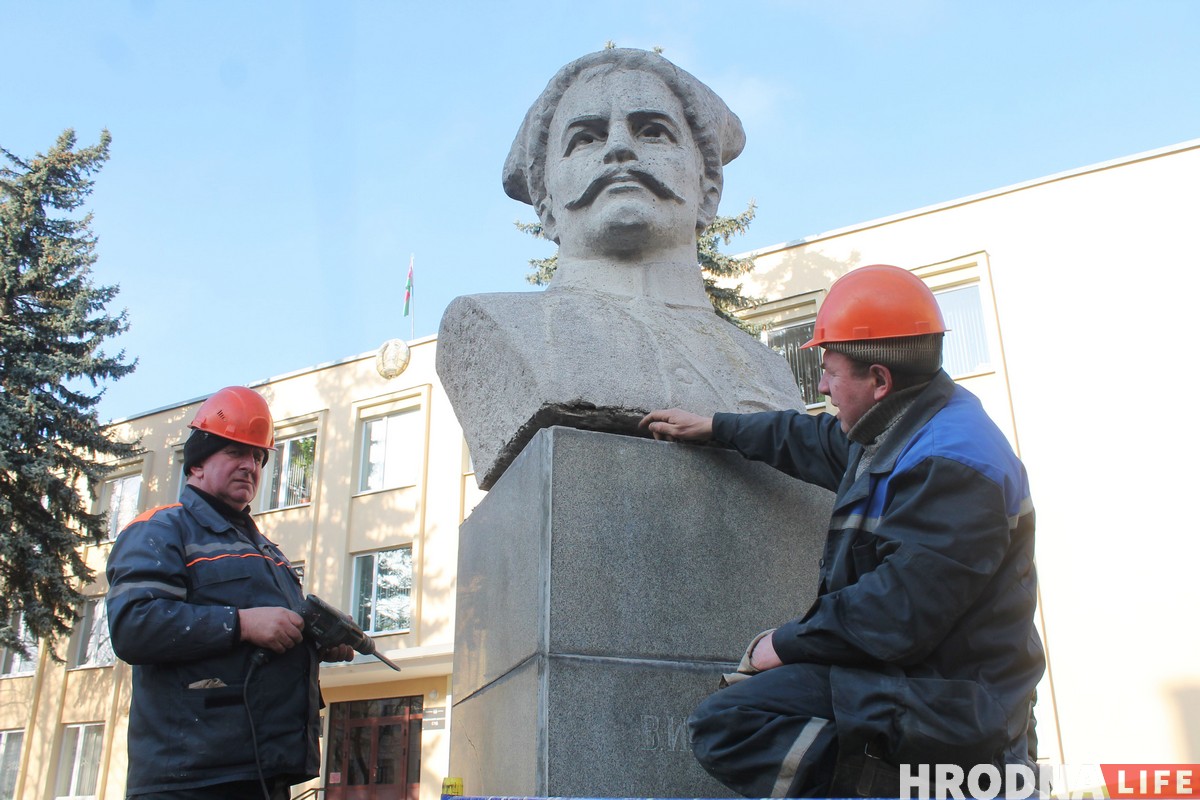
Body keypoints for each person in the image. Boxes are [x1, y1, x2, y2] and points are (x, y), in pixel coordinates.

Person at [640, 265, 1045, 798]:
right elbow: (806, 438)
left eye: (830, 373)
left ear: (879, 380)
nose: (824, 387)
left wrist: (781, 644)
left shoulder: (955, 463)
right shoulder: (895, 426)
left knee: (732, 725)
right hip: (913, 681)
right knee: (741, 717)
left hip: (959, 707)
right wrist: (716, 427)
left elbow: (896, 612)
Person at [437, 48, 802, 490]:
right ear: (546, 205)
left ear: (708, 191)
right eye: (585, 138)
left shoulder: (769, 369)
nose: (619, 148)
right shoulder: (496, 327)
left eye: (653, 131)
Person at [106, 386, 353, 800]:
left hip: (263, 772)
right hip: (190, 779)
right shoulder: (161, 528)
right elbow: (134, 624)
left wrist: (316, 643)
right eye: (236, 452)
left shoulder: (268, 552)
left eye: (258, 457)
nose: (251, 466)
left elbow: (267, 641)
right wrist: (239, 624)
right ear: (198, 464)